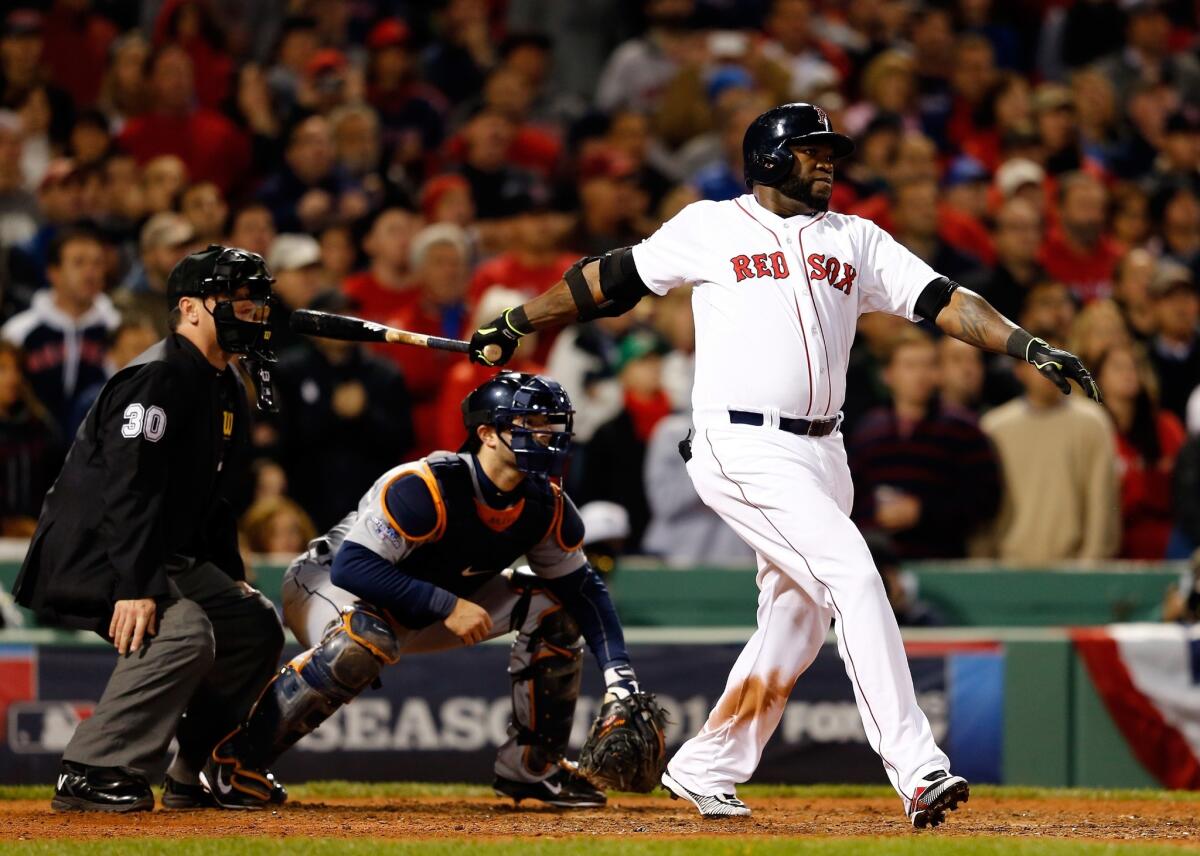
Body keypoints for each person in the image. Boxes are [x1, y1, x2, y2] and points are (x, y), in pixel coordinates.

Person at [466, 102, 1101, 826]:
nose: (827, 160)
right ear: (769, 156)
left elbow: (945, 301)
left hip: (824, 449)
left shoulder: (856, 237)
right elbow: (607, 279)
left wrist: (1026, 345)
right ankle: (919, 768)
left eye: (830, 149)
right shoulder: (711, 226)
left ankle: (707, 764)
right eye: (812, 148)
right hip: (741, 443)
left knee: (797, 618)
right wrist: (519, 320)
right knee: (855, 576)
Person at [206, 372, 649, 810]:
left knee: (557, 609)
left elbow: (584, 590)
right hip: (325, 584)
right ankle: (237, 762)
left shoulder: (546, 503)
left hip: (425, 605)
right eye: (531, 426)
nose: (548, 437)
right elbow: (353, 567)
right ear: (487, 434)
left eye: (553, 425)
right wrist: (447, 603)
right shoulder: (427, 485)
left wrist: (620, 679)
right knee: (360, 641)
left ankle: (534, 767)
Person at [12, 244, 286, 812]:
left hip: (155, 551)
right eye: (234, 299)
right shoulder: (159, 376)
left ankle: (197, 772)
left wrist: (229, 577)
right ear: (189, 308)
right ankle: (93, 767)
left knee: (254, 624)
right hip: (93, 551)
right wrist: (137, 585)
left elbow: (211, 501)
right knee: (183, 628)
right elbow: (128, 488)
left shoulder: (223, 384)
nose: (251, 311)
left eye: (254, 300)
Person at [848, 328, 1000, 559]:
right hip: (877, 561)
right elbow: (849, 496)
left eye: (928, 365)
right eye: (910, 366)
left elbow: (985, 500)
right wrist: (875, 514)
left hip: (944, 563)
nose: (920, 375)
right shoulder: (868, 431)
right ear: (887, 374)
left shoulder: (964, 429)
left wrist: (922, 512)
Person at [979, 331, 1118, 563]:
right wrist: (987, 562)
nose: (1050, 369)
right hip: (1008, 567)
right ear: (1019, 371)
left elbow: (1102, 502)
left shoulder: (1093, 422)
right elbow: (984, 508)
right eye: (1038, 361)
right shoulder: (994, 428)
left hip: (1075, 570)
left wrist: (1091, 563)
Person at [2, 229, 119, 433]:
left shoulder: (117, 328)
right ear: (53, 272)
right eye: (79, 262)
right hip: (34, 448)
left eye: (97, 263)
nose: (90, 272)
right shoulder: (18, 331)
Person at [1094, 342, 1186, 559]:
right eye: (1118, 367)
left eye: (1134, 367)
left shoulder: (1166, 427)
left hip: (1165, 543)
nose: (1129, 373)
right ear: (1099, 379)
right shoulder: (1092, 430)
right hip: (1111, 543)